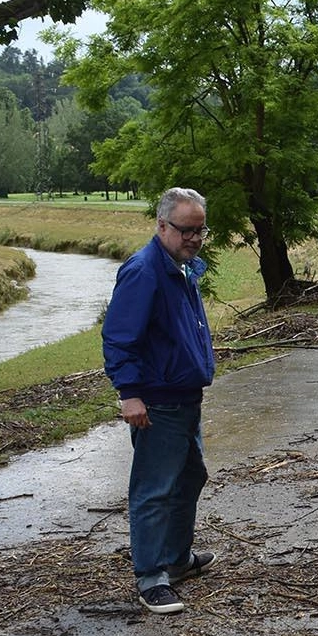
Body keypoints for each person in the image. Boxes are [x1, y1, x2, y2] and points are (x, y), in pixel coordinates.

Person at [102, 187, 218, 614]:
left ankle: (177, 560)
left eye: (200, 230)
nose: (194, 238)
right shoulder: (144, 270)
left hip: (186, 398)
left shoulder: (183, 267)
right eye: (186, 230)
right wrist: (129, 393)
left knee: (190, 478)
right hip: (159, 401)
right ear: (162, 225)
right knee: (154, 489)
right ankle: (151, 577)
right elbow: (118, 337)